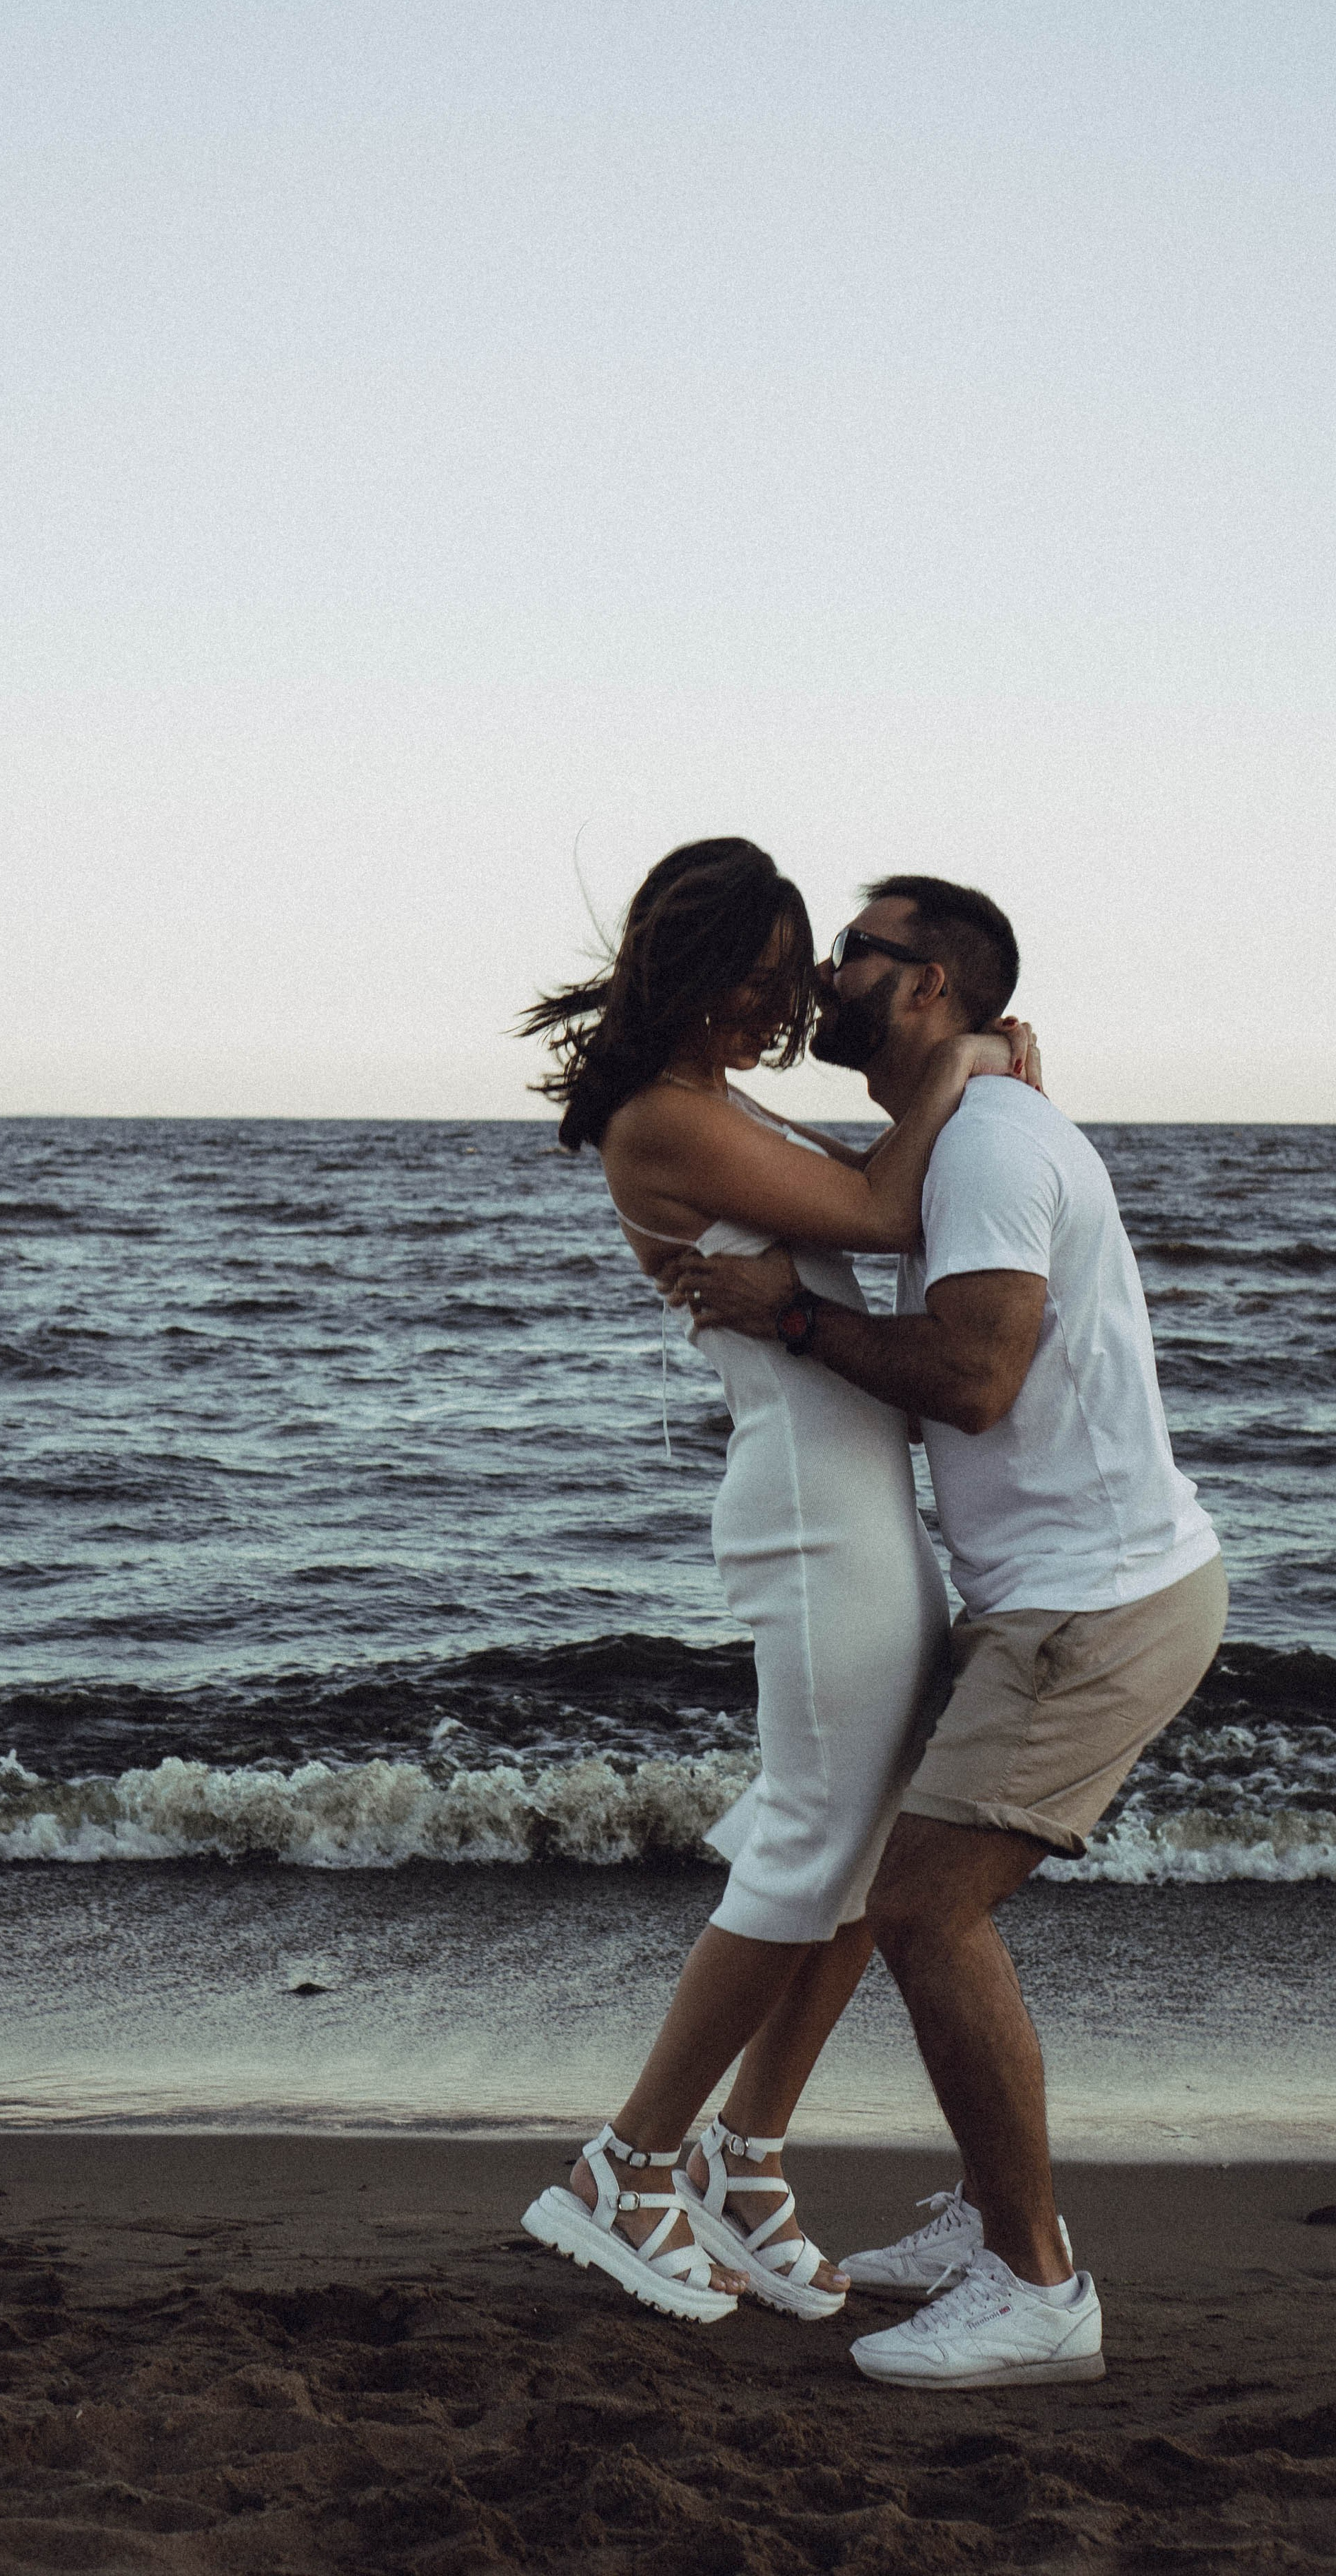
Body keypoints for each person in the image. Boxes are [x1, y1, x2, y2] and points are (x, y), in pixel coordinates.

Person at [663, 874, 1227, 2387]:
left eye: (856, 951)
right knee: (886, 1884)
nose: (829, 974)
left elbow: (973, 1378)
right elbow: (862, 1196)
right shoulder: (968, 1134)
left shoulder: (986, 1145)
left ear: (925, 987)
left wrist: (784, 1318)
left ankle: (1036, 2285)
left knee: (921, 1911)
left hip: (1090, 1609)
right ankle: (988, 2219)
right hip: (1060, 1595)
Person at [514, 839, 1037, 2324]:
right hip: (811, 1512)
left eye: (788, 982)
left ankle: (742, 2168)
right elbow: (879, 1211)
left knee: (867, 1861)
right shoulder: (657, 1122)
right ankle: (625, 2168)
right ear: (681, 970)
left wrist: (987, 1084)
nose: (780, 1011)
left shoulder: (717, 1097)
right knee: (813, 1848)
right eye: (753, 982)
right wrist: (978, 1053)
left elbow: (895, 1202)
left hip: (858, 1497)